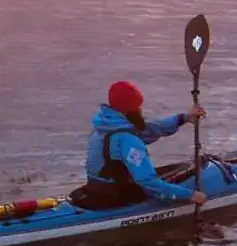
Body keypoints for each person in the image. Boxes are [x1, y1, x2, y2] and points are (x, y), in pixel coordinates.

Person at [80, 79, 206, 209]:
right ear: (128, 110)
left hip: (95, 188)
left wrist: (183, 118)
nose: (140, 109)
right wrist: (190, 195)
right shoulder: (127, 140)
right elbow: (146, 182)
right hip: (116, 196)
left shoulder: (104, 126)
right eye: (137, 106)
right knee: (159, 180)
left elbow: (151, 129)